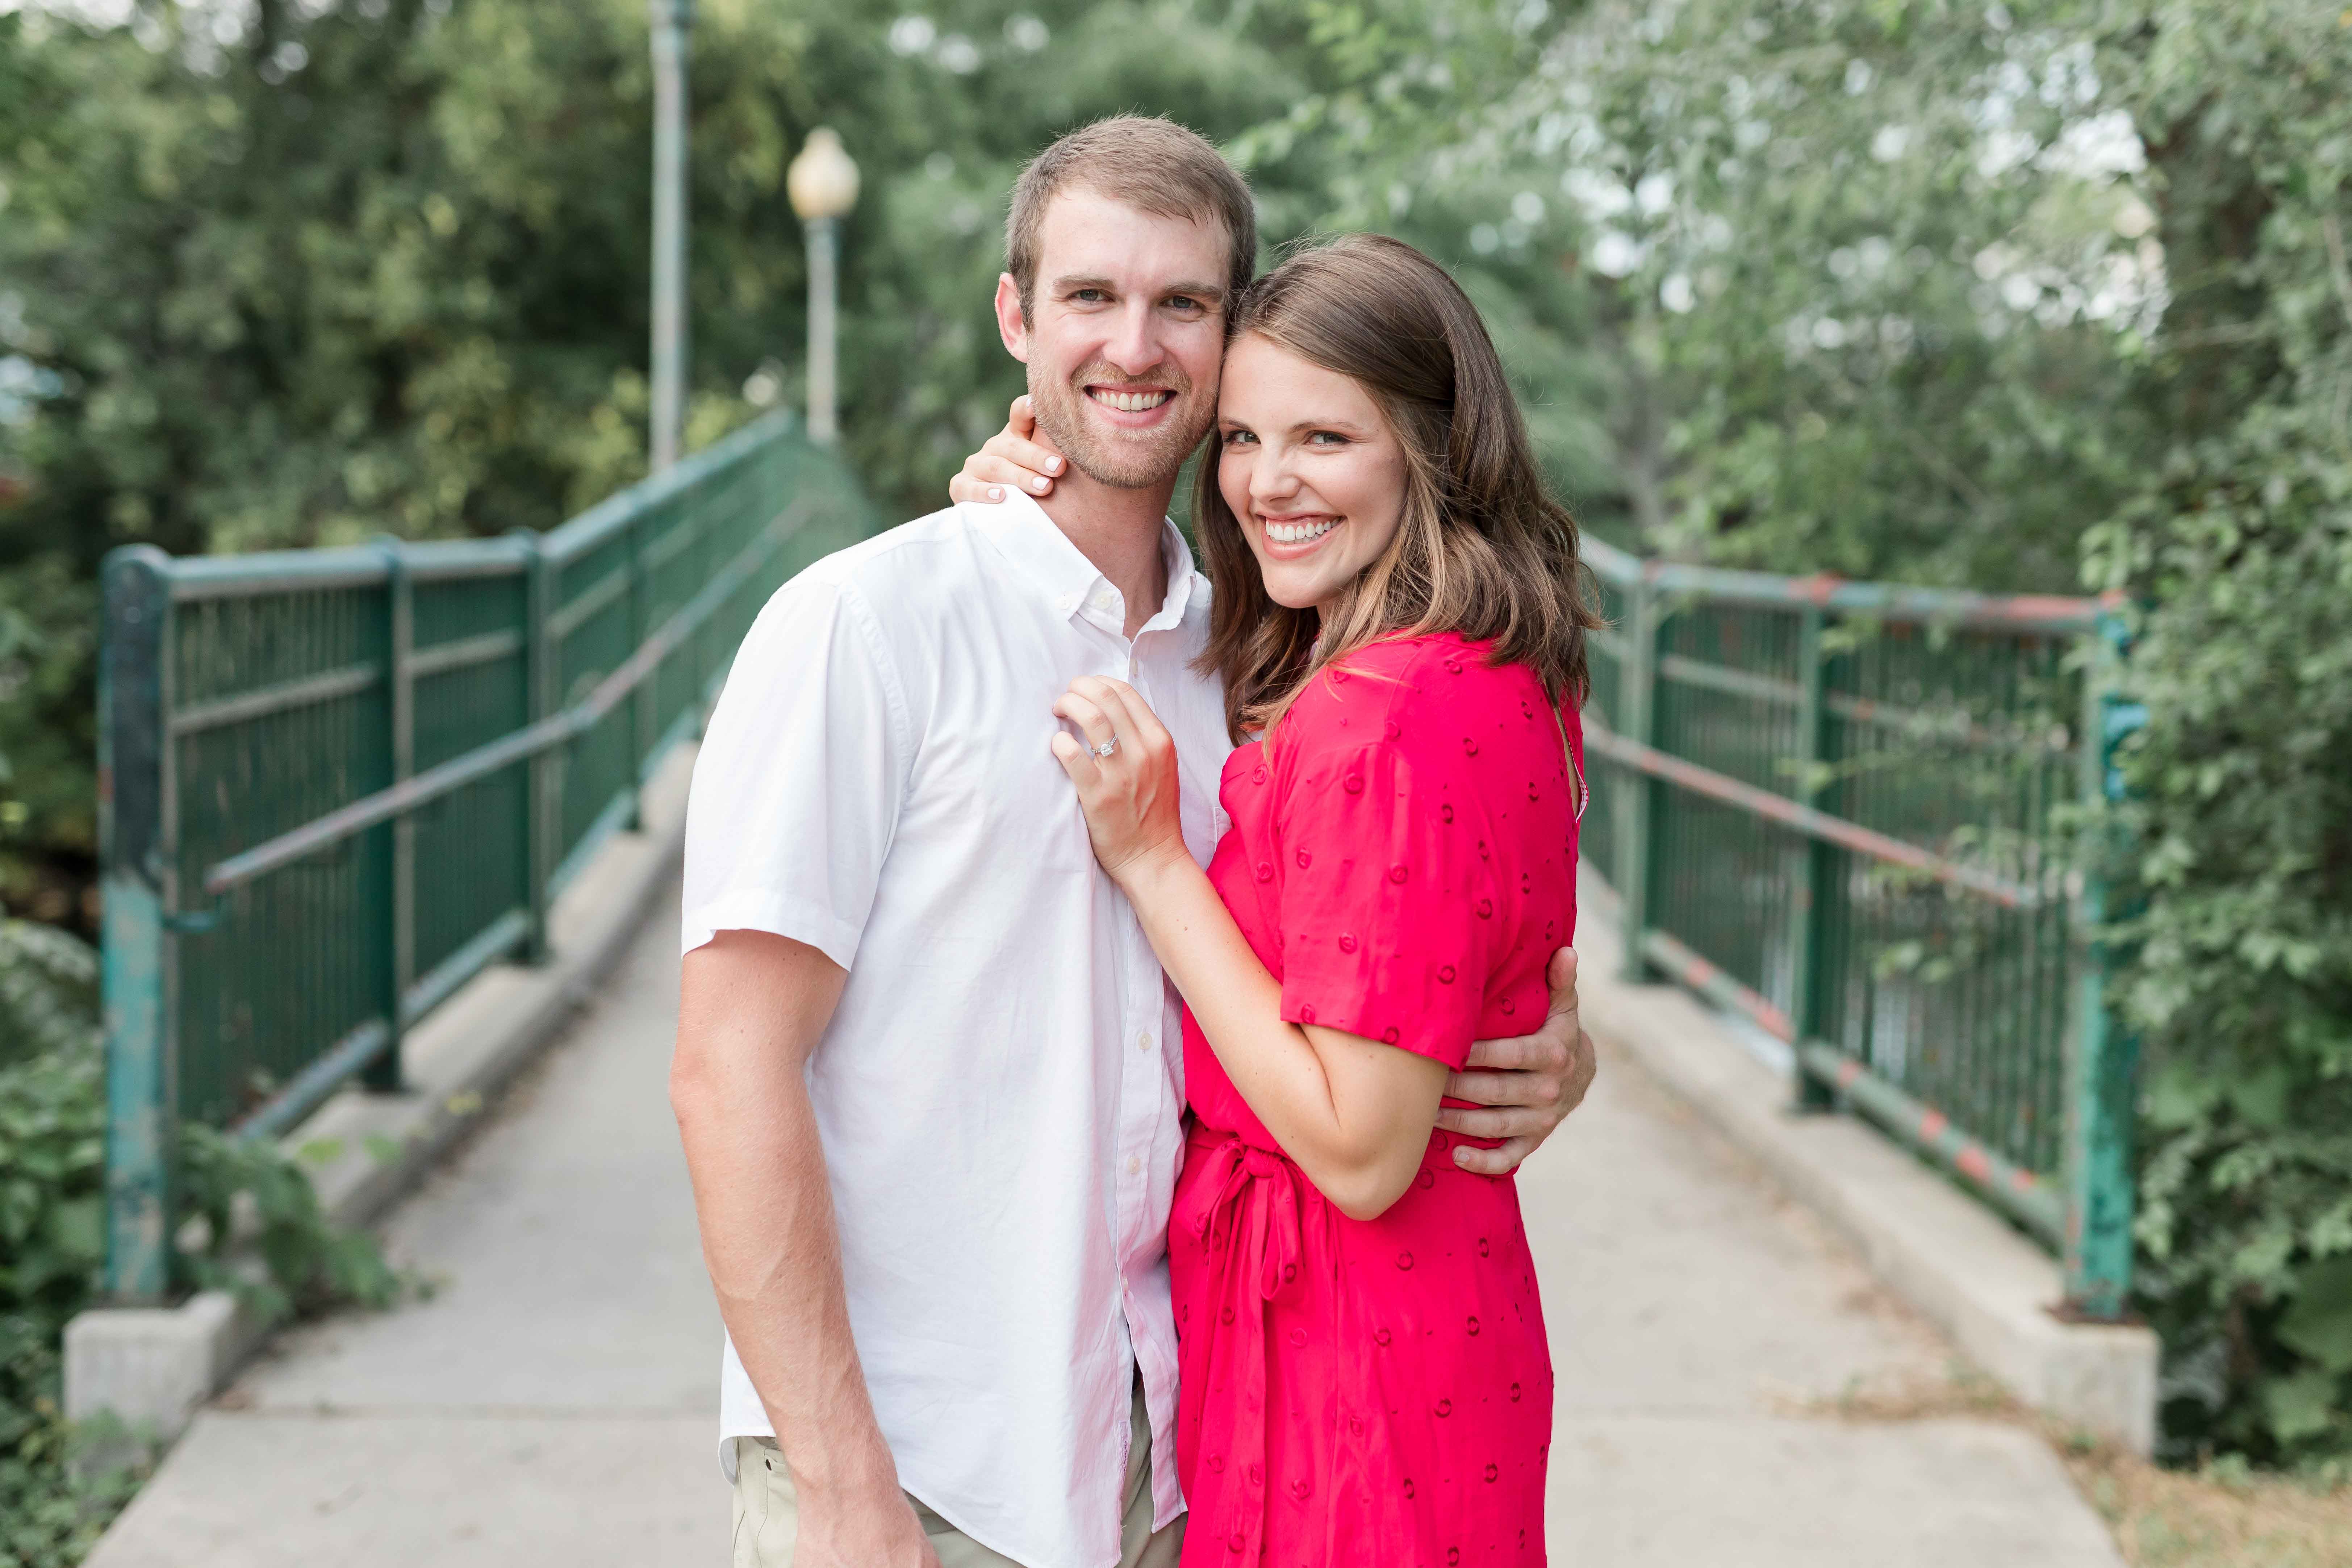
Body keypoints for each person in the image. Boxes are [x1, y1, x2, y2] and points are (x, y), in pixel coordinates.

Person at [671, 117, 1594, 1568]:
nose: (1135, 345)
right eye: (1090, 298)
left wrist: (1545, 1032)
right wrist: (841, 1484)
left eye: (1183, 305)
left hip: (1179, 1456)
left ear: (1232, 338)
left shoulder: (1251, 667)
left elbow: (1379, 944)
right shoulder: (866, 622)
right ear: (1014, 318)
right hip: (925, 1474)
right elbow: (727, 1069)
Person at [972, 231, 1596, 1564]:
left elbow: (1361, 1148)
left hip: (1354, 1355)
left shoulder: (1386, 714)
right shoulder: (1492, 665)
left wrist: (1152, 864)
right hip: (1432, 1327)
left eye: (1325, 439)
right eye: (1243, 439)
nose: (1266, 484)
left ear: (1429, 448)